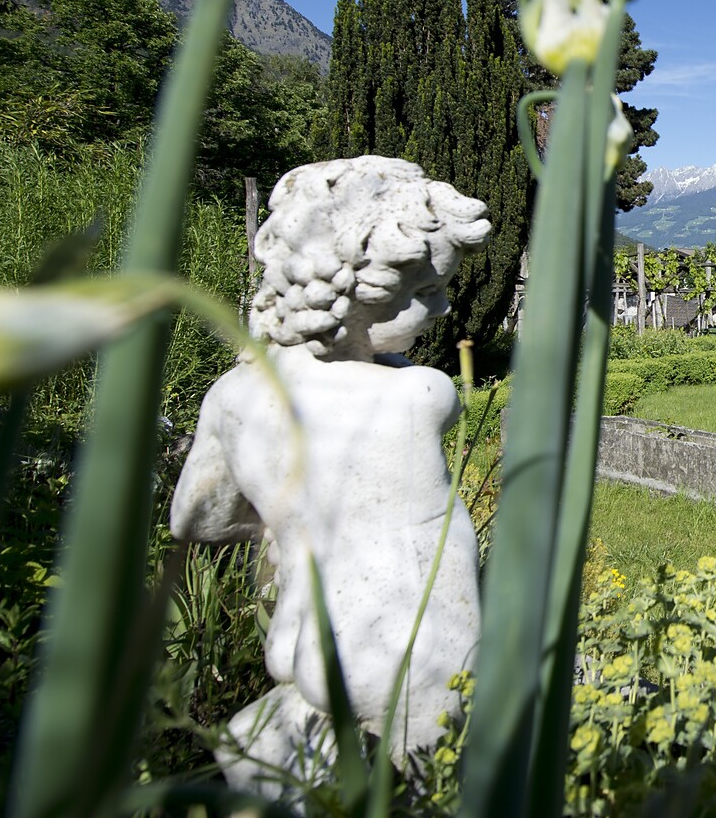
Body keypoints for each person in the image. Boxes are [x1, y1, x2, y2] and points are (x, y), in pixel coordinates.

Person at [170, 156, 491, 796]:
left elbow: (198, 519)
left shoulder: (231, 398)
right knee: (436, 793)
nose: (444, 305)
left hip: (304, 637)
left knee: (275, 761)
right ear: (352, 295)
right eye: (424, 292)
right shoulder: (421, 393)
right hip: (417, 650)